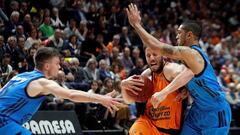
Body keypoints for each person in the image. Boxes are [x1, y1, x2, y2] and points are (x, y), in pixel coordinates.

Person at [126, 4, 231, 134]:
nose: (176, 36)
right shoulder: (186, 58)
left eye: (179, 33)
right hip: (197, 110)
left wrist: (137, 25)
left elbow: (157, 47)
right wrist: (186, 89)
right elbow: (188, 74)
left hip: (215, 110)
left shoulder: (192, 53)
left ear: (189, 35)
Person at [0, 47, 122, 135]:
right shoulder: (42, 82)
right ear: (47, 66)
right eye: (57, 63)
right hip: (4, 121)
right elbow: (71, 94)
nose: (59, 67)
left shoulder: (20, 76)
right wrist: (101, 99)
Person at [121, 46, 194, 135]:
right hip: (147, 124)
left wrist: (164, 92)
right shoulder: (145, 75)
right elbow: (128, 100)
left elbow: (190, 72)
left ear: (163, 55)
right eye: (148, 55)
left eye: (155, 54)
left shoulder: (169, 69)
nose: (151, 58)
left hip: (169, 130)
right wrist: (123, 85)